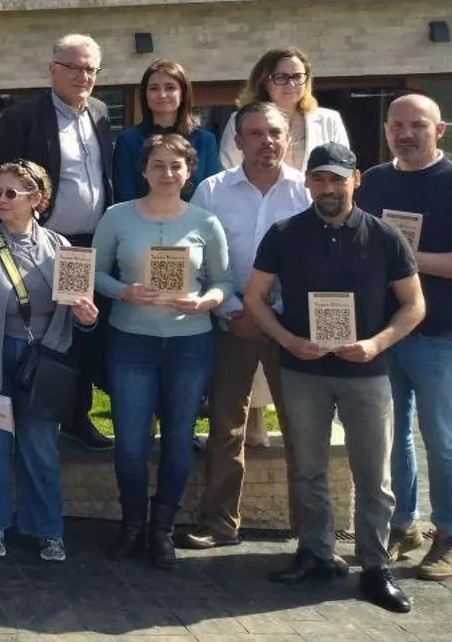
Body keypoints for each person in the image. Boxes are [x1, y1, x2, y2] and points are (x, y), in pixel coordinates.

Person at [247, 142, 424, 613]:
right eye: (319, 179)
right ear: (308, 182)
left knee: (374, 475)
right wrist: (288, 340)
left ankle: (375, 566)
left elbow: (414, 304)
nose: (328, 188)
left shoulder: (385, 236)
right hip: (303, 369)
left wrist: (377, 344)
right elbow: (255, 298)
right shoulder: (284, 234)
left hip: (367, 371)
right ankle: (317, 552)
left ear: (356, 180)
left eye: (337, 179)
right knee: (307, 469)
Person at [355, 95, 452, 580]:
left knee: (444, 440)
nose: (405, 134)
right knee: (391, 439)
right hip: (386, 333)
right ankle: (402, 525)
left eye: (417, 125)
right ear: (386, 131)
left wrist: (406, 259)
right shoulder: (373, 182)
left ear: (440, 130)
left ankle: (450, 533)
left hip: (446, 335)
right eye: (397, 126)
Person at [93, 134, 231, 570]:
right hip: (131, 341)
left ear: (189, 171)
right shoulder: (117, 216)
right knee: (130, 443)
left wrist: (205, 302)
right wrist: (124, 291)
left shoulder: (206, 222)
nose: (167, 173)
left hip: (189, 343)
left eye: (176, 165)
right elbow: (93, 273)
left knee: (177, 439)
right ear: (144, 170)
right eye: (158, 164)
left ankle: (162, 529)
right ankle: (133, 523)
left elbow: (223, 282)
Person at [180, 103, 310, 551]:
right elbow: (195, 259)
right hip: (230, 322)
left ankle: (309, 530)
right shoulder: (212, 191)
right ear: (238, 142)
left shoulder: (305, 191)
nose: (266, 142)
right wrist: (236, 311)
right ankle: (219, 523)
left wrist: (271, 316)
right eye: (255, 134)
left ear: (288, 138)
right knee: (225, 426)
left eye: (274, 132)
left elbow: (315, 263)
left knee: (301, 428)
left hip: (289, 327)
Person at [0, 160, 98, 562]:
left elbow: (75, 314)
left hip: (44, 363)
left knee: (41, 448)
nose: (1, 200)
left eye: (11, 193)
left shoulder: (62, 248)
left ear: (37, 199)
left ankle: (46, 528)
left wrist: (87, 318)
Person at [0, 35, 116, 452]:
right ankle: (30, 417)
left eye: (91, 69)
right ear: (53, 69)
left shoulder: (99, 112)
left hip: (90, 243)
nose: (83, 76)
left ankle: (76, 417)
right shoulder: (22, 117)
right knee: (43, 330)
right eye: (74, 67)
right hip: (43, 244)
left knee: (82, 330)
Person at [220, 48, 349, 172]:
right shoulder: (241, 120)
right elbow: (231, 170)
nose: (291, 84)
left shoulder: (329, 120)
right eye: (281, 77)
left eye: (297, 76)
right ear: (264, 82)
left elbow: (343, 169)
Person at [113, 59, 221, 202]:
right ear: (145, 95)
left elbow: (210, 194)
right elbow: (124, 196)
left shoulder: (205, 140)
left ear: (183, 93)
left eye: (170, 88)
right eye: (154, 88)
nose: (162, 95)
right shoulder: (127, 140)